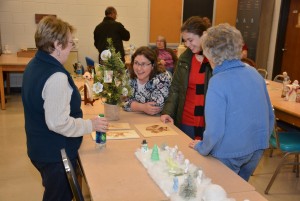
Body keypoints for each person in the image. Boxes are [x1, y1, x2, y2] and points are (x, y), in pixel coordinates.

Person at [22, 16, 109, 201]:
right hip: (54, 152)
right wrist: (89, 125)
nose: (72, 48)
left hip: (39, 146)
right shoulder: (56, 77)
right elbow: (58, 123)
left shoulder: (35, 64)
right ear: (57, 45)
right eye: (70, 43)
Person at [188, 23, 275, 181]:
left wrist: (202, 147)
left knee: (223, 192)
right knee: (241, 190)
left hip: (229, 152)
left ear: (210, 54)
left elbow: (215, 130)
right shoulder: (254, 72)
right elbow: (269, 115)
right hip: (257, 147)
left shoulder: (218, 81)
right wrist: (262, 142)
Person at [160, 16, 213, 140]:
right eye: (185, 41)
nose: (187, 44)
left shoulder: (215, 60)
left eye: (190, 40)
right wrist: (167, 112)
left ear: (204, 36)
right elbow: (175, 89)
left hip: (209, 124)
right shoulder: (184, 59)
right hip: (186, 122)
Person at [123, 46, 172, 115]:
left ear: (153, 65)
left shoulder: (162, 79)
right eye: (136, 63)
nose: (139, 68)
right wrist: (142, 107)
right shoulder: (128, 73)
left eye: (143, 64)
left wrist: (132, 104)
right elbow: (120, 100)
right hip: (134, 118)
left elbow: (154, 109)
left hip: (156, 121)